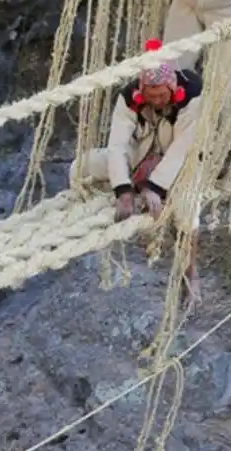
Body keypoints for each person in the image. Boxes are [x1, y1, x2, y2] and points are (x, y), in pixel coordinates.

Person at [69, 39, 204, 306]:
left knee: (188, 209)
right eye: (151, 97)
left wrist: (155, 187)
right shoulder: (129, 97)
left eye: (162, 96)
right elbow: (118, 145)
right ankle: (82, 208)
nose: (157, 101)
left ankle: (190, 273)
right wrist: (123, 190)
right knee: (81, 166)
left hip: (182, 161)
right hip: (142, 152)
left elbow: (182, 148)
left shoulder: (192, 94)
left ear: (173, 89)